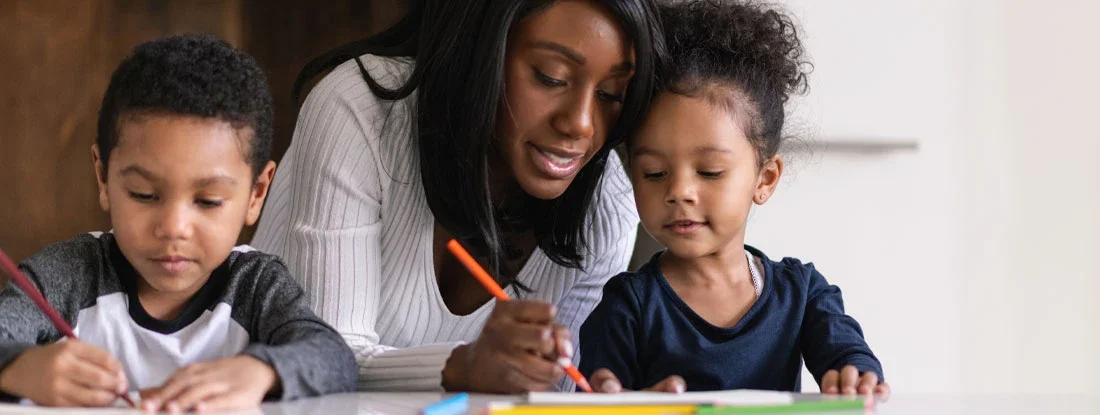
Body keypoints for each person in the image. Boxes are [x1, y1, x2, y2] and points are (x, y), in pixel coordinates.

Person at [251, 0, 662, 393]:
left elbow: (550, 393)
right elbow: (322, 361)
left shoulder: (608, 206)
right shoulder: (360, 112)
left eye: (611, 94)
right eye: (551, 76)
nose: (581, 124)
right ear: (482, 48)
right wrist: (465, 366)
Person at [0, 34, 357, 411]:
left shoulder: (255, 287)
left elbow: (335, 359)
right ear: (103, 178)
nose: (173, 227)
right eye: (144, 194)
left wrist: (261, 371)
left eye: (208, 201)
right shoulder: (70, 274)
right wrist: (18, 368)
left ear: (256, 194)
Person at [579, 0, 891, 397]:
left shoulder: (803, 295)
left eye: (709, 171)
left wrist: (854, 372)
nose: (678, 192)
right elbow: (595, 396)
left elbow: (849, 355)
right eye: (654, 173)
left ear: (765, 178)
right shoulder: (629, 306)